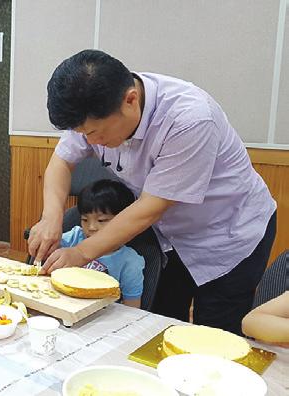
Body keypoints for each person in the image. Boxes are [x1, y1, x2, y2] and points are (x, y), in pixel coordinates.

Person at [28, 49, 276, 335]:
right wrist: (51, 218)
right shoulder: (94, 108)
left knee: (213, 334)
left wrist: (81, 252)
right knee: (161, 325)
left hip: (228, 234)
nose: (90, 142)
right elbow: (61, 161)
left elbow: (151, 207)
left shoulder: (190, 119)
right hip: (170, 237)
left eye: (95, 133)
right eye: (83, 134)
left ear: (130, 100)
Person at [61, 179, 144, 308]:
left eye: (102, 220)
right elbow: (51, 247)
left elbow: (133, 307)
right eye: (85, 219)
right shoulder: (75, 237)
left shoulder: (130, 262)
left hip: (102, 317)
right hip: (65, 305)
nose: (91, 227)